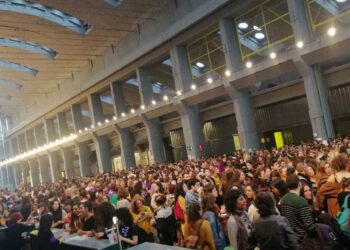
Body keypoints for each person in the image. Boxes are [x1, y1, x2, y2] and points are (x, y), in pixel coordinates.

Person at [280, 174, 315, 243]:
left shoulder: (283, 199)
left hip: (290, 238)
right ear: (299, 184)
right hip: (303, 239)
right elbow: (309, 226)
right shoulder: (301, 201)